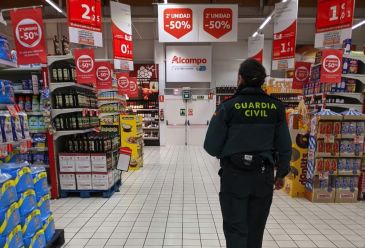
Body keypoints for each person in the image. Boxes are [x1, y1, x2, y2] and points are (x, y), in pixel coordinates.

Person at [204, 58, 292, 248]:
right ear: (262, 80)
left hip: (234, 176)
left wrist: (229, 150)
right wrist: (282, 173)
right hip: (264, 176)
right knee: (256, 229)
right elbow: (285, 146)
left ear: (240, 79)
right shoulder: (276, 107)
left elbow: (210, 146)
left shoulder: (228, 107)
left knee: (235, 228)